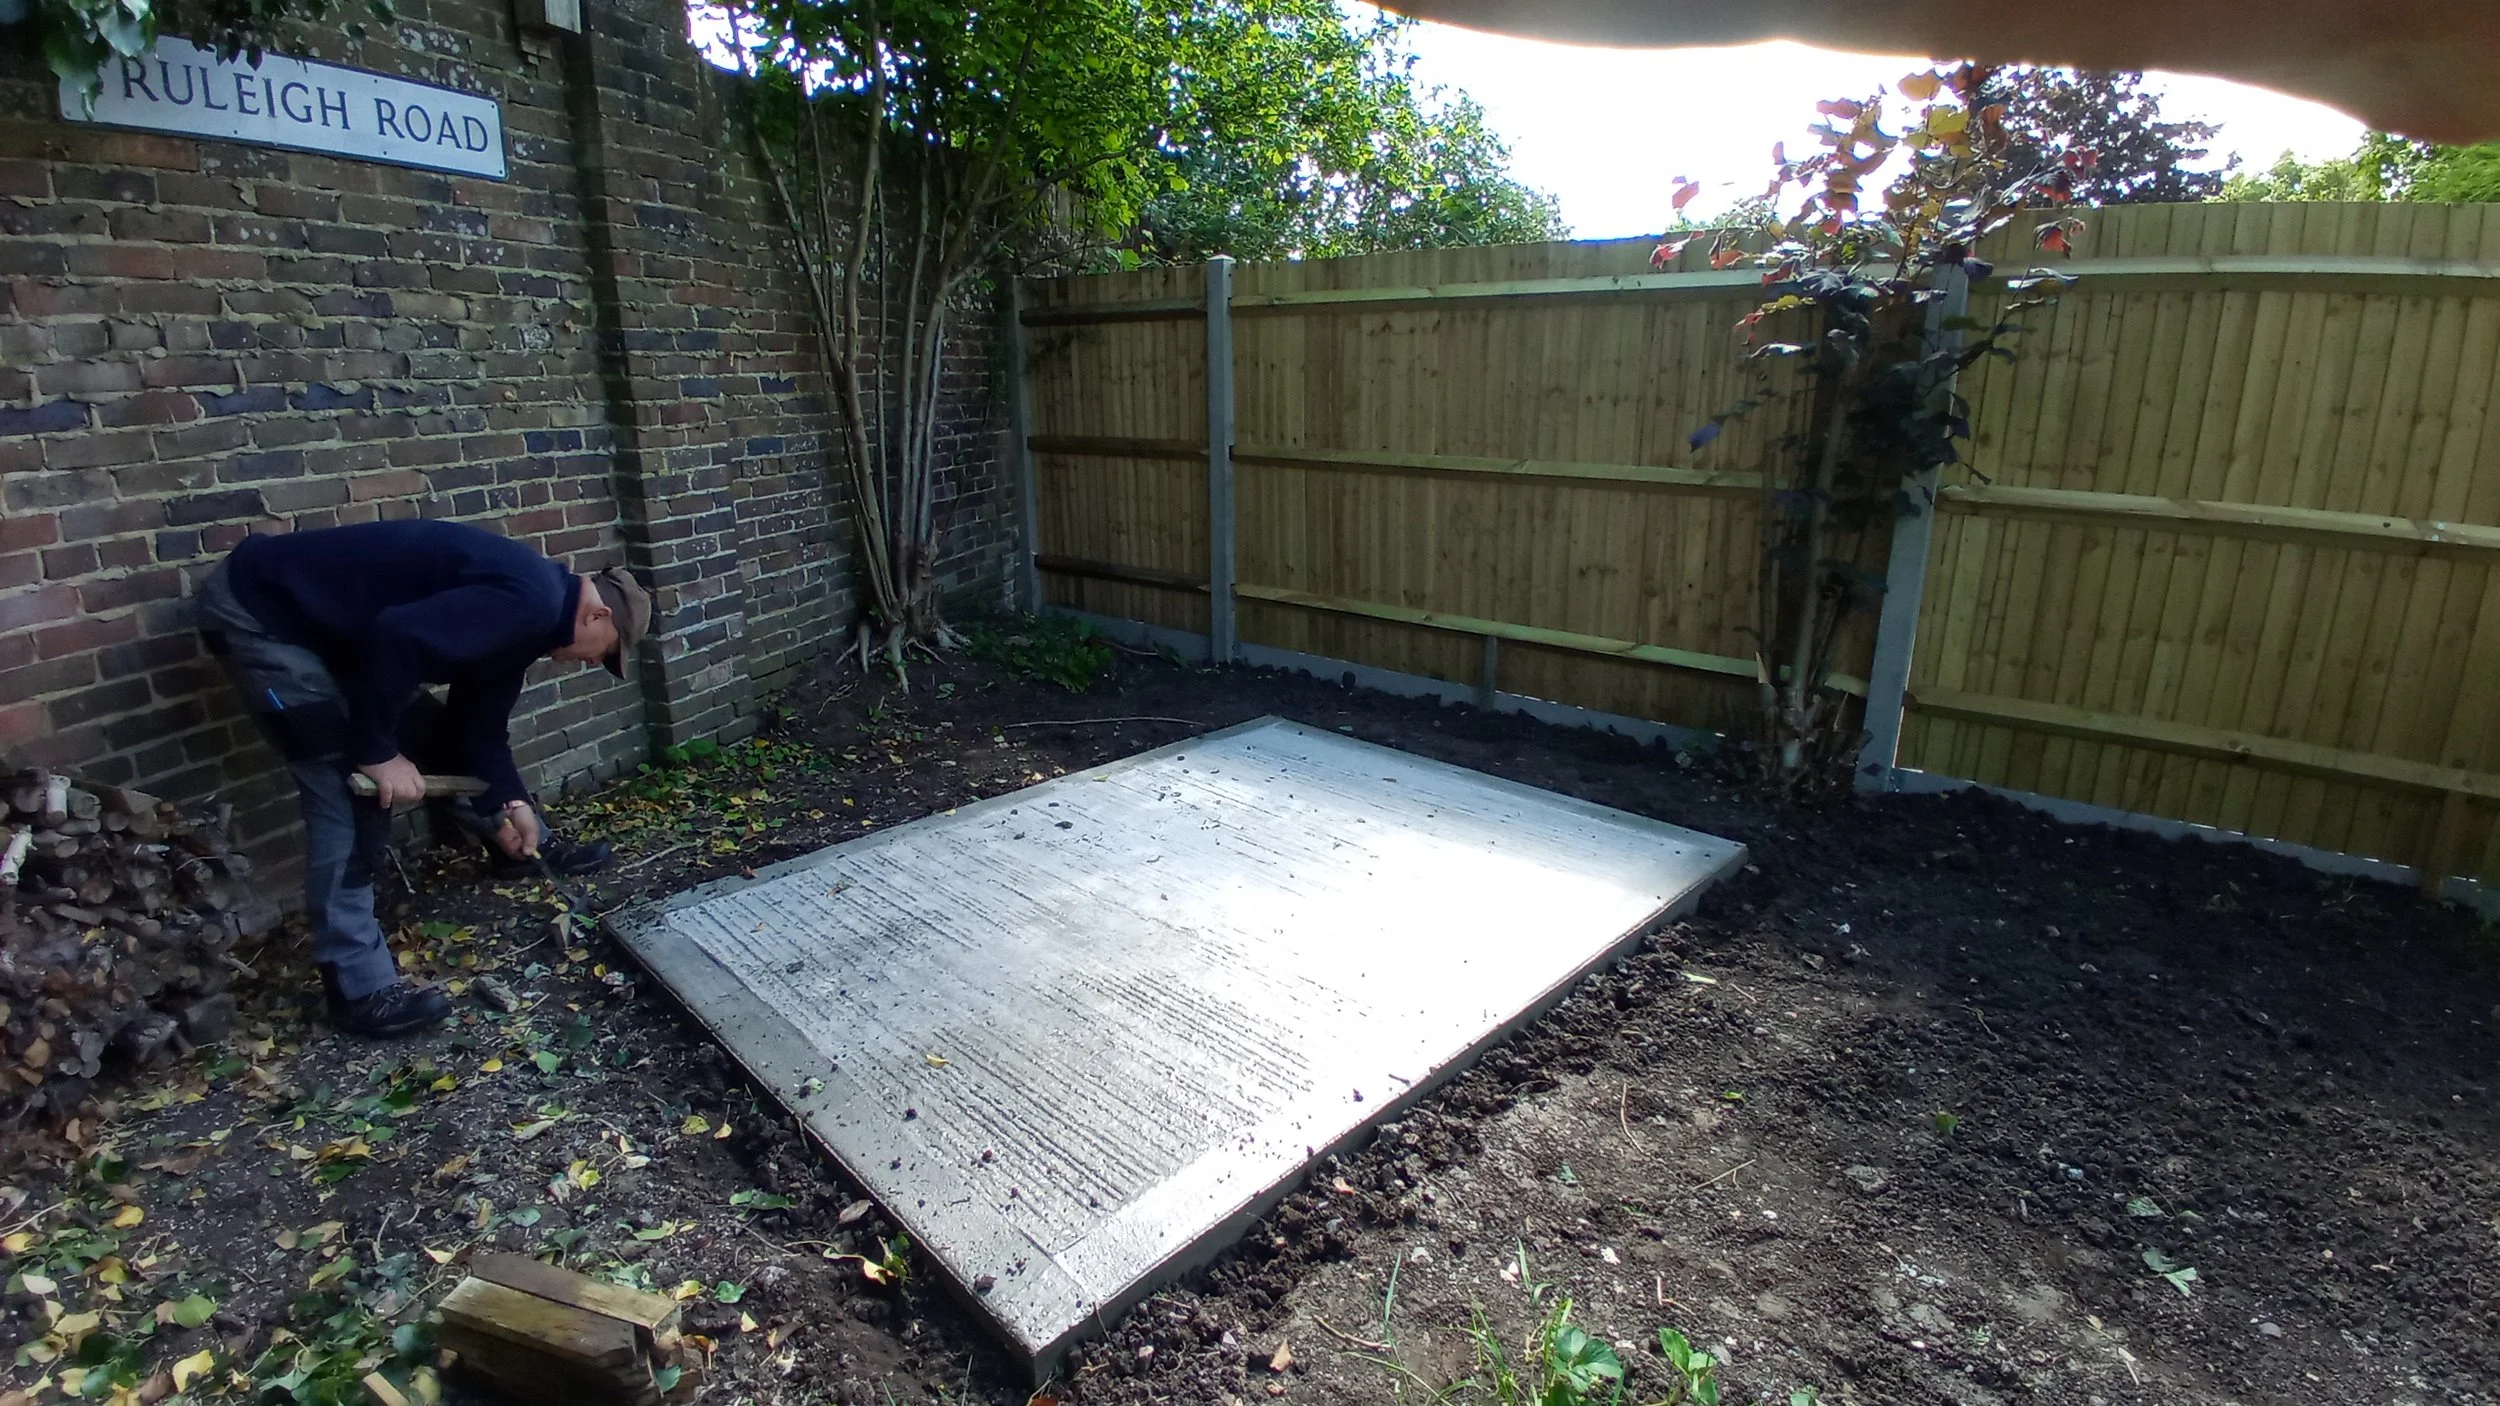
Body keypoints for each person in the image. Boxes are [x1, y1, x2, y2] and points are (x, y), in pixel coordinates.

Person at [196, 520, 652, 1037]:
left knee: (437, 743)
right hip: (262, 615)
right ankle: (358, 989)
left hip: (338, 633)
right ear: (598, 614)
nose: (593, 662)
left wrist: (512, 802)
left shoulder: (534, 620)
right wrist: (376, 752)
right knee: (350, 788)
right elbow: (396, 637)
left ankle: (522, 846)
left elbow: (476, 729)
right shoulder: (529, 602)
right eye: (604, 651)